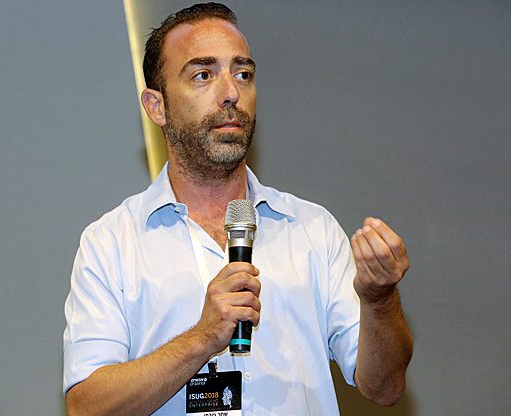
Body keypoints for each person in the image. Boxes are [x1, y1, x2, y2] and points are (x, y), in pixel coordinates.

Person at [63, 3, 413, 415]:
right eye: (203, 75)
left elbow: (385, 386)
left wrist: (378, 300)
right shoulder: (111, 243)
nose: (231, 92)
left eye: (243, 74)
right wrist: (201, 338)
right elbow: (86, 407)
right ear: (157, 106)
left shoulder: (313, 230)